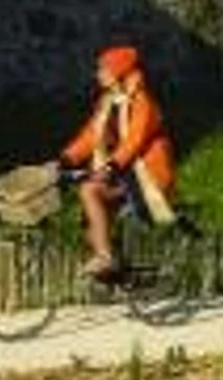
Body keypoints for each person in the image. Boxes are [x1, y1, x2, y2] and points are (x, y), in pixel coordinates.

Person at [57, 44, 179, 281]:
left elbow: (135, 139)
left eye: (103, 69)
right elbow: (91, 136)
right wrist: (66, 158)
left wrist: (111, 167)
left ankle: (105, 257)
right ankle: (116, 270)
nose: (98, 74)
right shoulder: (107, 102)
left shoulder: (142, 101)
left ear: (119, 71)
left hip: (146, 175)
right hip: (123, 172)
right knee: (90, 226)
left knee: (89, 190)